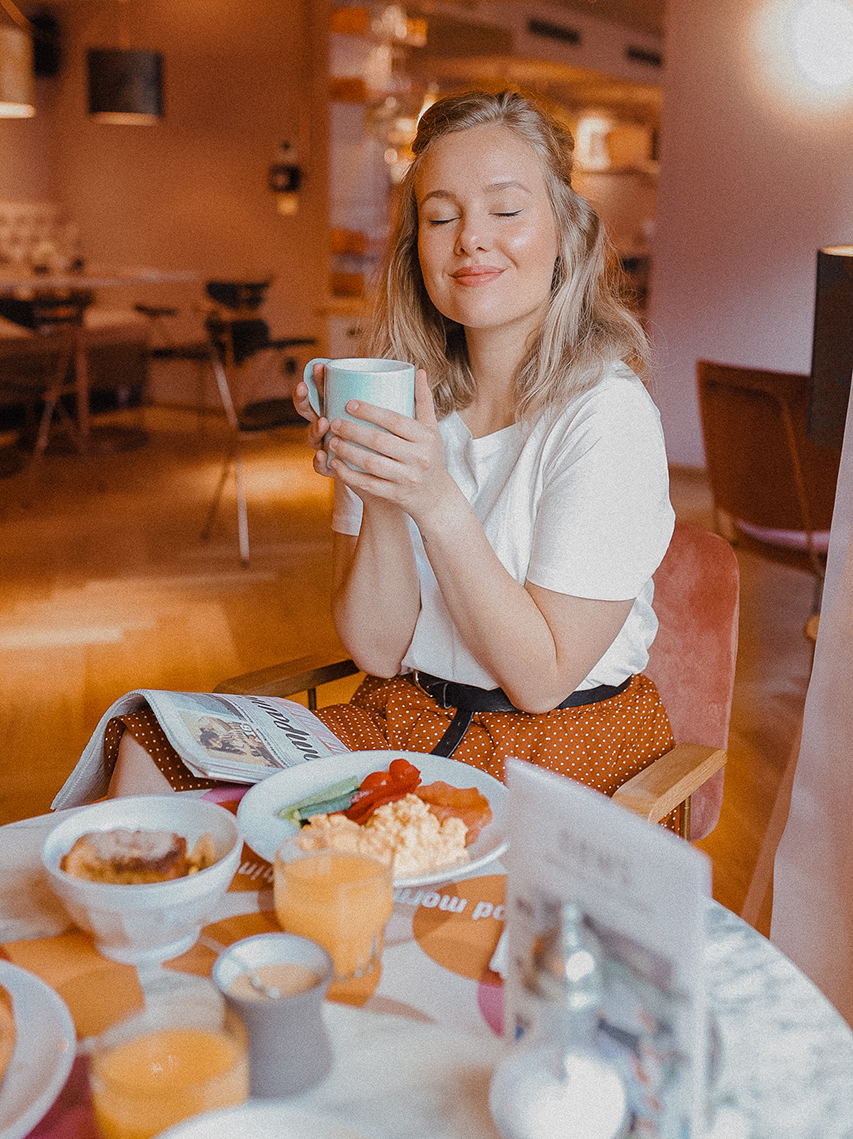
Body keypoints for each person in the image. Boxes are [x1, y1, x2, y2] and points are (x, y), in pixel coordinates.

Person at [107, 88, 675, 800]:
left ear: (565, 231)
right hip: (407, 716)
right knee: (151, 752)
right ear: (417, 250)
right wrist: (381, 489)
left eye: (505, 211)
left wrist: (433, 500)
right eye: (441, 217)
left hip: (557, 747)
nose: (469, 237)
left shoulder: (604, 417)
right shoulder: (395, 401)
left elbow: (539, 679)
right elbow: (376, 648)